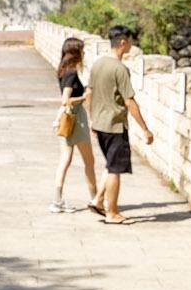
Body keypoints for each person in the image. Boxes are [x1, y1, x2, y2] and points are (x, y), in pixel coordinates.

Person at [87, 25, 155, 224]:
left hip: (100, 124)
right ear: (123, 42)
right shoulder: (120, 69)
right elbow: (129, 101)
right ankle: (112, 213)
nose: (131, 45)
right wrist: (145, 129)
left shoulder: (98, 64)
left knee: (110, 164)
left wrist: (92, 118)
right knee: (115, 170)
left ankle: (98, 200)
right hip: (115, 126)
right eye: (130, 41)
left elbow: (89, 93)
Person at [51, 35, 99, 214]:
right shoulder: (71, 73)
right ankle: (95, 199)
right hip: (76, 118)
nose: (84, 53)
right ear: (75, 52)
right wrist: (84, 96)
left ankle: (57, 200)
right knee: (89, 161)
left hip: (66, 118)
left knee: (65, 159)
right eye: (81, 50)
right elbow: (66, 100)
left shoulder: (63, 70)